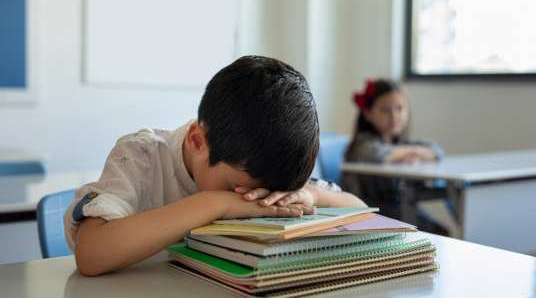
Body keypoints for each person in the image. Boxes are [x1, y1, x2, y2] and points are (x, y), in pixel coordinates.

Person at [64, 56, 367, 276]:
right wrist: (214, 204)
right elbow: (90, 254)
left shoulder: (271, 163)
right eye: (237, 190)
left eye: (265, 194)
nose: (253, 200)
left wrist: (313, 194)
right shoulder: (142, 155)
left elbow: (362, 213)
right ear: (198, 141)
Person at [341, 78, 449, 235]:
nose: (394, 115)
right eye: (385, 110)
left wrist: (414, 154)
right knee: (427, 234)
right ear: (368, 114)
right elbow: (379, 154)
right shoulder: (362, 145)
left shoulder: (402, 142)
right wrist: (417, 152)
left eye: (400, 108)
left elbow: (437, 150)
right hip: (369, 212)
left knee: (442, 232)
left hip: (399, 207)